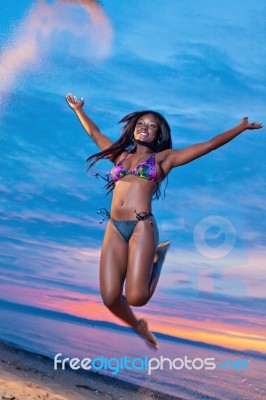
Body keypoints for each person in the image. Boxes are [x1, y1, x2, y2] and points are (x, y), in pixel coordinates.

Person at [66, 93, 262, 349]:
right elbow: (94, 132)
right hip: (114, 227)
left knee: (137, 298)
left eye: (151, 125)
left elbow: (210, 145)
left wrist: (240, 127)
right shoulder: (119, 156)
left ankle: (158, 256)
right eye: (140, 124)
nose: (144, 128)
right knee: (110, 298)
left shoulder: (164, 159)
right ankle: (140, 328)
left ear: (158, 135)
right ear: (133, 130)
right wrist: (78, 110)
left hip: (141, 226)